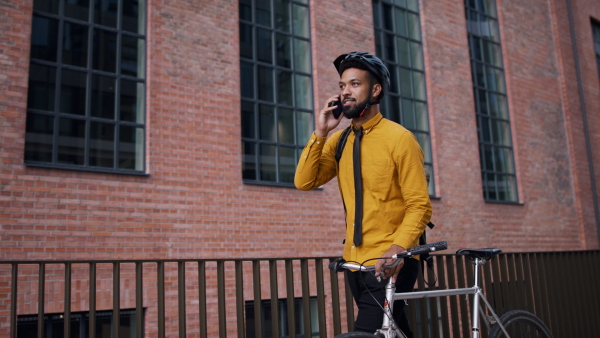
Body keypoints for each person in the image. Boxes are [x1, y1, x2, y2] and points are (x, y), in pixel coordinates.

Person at [294, 51, 432, 336]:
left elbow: (419, 205)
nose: (345, 92)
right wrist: (320, 132)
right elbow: (304, 181)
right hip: (355, 262)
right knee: (393, 329)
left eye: (354, 84)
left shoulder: (400, 139)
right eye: (342, 85)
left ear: (375, 89)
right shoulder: (339, 140)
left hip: (392, 262)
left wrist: (398, 249)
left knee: (366, 333)